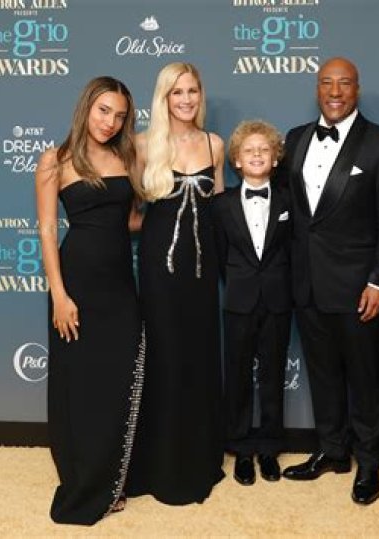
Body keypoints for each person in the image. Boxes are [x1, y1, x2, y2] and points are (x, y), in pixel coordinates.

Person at [279, 57, 379, 505]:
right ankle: (332, 450)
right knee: (322, 373)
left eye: (344, 83)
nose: (335, 92)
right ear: (318, 88)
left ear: (357, 89)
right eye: (327, 83)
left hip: (358, 287)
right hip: (306, 282)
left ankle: (368, 461)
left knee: (364, 378)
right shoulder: (295, 138)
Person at [35, 76, 144, 525]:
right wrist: (59, 295)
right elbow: (47, 230)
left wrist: (174, 212)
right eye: (103, 110)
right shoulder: (55, 159)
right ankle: (83, 481)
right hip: (76, 283)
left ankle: (113, 479)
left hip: (119, 285)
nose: (110, 122)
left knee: (117, 381)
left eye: (119, 115)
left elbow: (130, 221)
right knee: (78, 385)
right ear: (86, 108)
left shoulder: (127, 157)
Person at [126, 62, 226, 505]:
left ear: (200, 95)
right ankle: (161, 463)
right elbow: (129, 213)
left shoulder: (214, 144)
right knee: (163, 358)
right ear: (164, 97)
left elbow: (220, 211)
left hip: (202, 273)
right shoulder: (142, 145)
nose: (186, 99)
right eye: (177, 92)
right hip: (159, 271)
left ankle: (198, 457)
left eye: (192, 91)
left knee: (198, 356)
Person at [212, 120, 292, 486]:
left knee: (273, 375)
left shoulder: (289, 200)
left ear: (275, 158)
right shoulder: (222, 205)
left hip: (278, 300)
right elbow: (220, 254)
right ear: (237, 160)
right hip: (239, 300)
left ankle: (270, 447)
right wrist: (239, 285)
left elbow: (294, 250)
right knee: (238, 374)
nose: (256, 155)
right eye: (249, 150)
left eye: (264, 149)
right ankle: (241, 448)